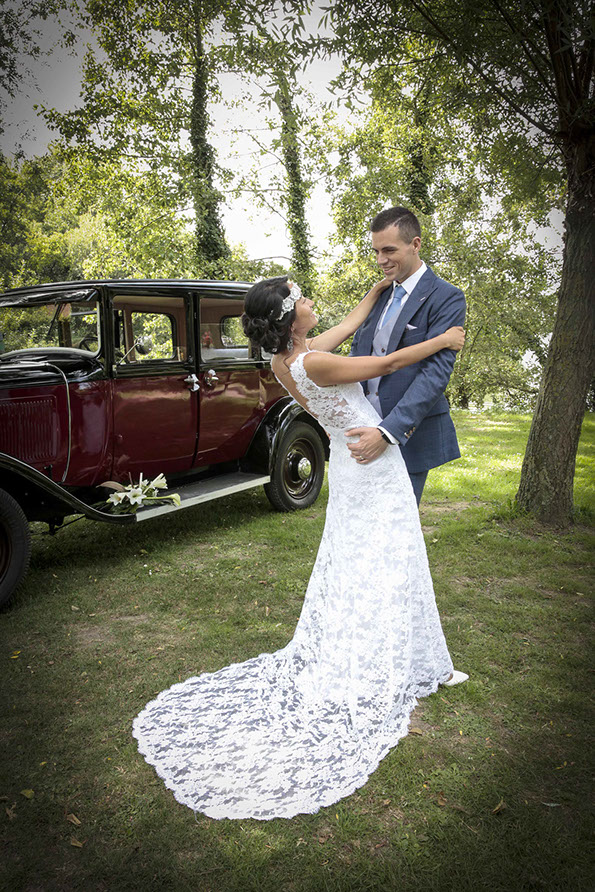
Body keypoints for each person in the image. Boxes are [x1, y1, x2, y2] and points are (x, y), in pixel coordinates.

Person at [132, 277, 468, 822]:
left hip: (352, 467)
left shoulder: (288, 361)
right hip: (373, 466)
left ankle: (415, 660)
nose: (312, 301)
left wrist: (375, 293)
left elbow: (350, 326)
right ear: (290, 317)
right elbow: (386, 364)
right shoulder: (315, 362)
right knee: (391, 562)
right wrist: (443, 341)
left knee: (362, 565)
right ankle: (394, 666)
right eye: (303, 297)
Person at [347, 206, 466, 505]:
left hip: (407, 436)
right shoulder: (378, 295)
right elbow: (357, 355)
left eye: (389, 250)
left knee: (397, 527)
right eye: (376, 251)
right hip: (360, 431)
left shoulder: (447, 297)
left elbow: (435, 375)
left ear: (415, 244)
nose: (380, 260)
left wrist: (387, 433)